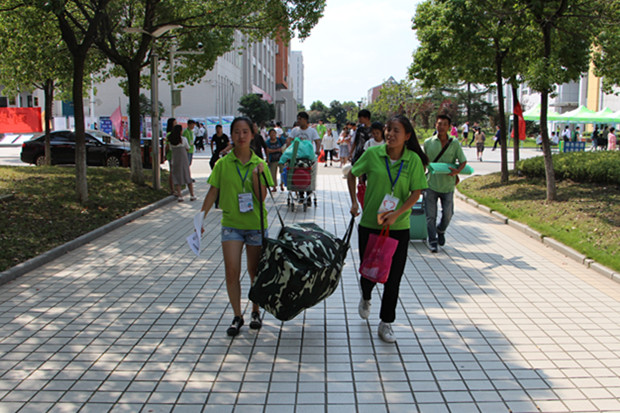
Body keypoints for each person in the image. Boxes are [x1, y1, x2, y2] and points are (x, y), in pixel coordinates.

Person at [347, 115, 429, 343]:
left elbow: (416, 192)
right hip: (370, 226)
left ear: (407, 136)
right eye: (388, 129)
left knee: (394, 277)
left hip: (398, 227)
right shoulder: (373, 154)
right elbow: (351, 174)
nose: (390, 134)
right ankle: (366, 297)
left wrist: (397, 213)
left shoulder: (413, 160)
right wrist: (355, 202)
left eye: (396, 130)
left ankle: (386, 322)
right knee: (368, 272)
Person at [200, 117, 274, 337]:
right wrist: (200, 218)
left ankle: (255, 311)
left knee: (254, 272)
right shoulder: (223, 164)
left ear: (252, 135)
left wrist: (256, 177)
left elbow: (261, 198)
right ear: (231, 135)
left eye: (245, 132)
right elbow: (213, 191)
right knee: (231, 272)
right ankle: (237, 315)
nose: (240, 137)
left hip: (255, 226)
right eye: (236, 132)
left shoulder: (260, 164)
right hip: (231, 224)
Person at [423, 114, 467, 253]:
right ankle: (432, 241)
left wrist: (457, 171)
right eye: (439, 123)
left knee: (448, 214)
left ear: (449, 127)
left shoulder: (454, 144)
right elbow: (423, 163)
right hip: (430, 184)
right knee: (430, 216)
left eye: (444, 124)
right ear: (435, 125)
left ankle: (440, 230)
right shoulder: (428, 142)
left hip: (448, 185)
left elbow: (463, 161)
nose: (441, 126)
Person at [289, 112, 321, 205]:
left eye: (300, 119)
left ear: (305, 120)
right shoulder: (295, 130)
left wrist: (317, 150)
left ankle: (308, 194)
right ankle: (301, 195)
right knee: (298, 175)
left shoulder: (312, 131)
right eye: (297, 119)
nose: (298, 121)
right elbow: (289, 140)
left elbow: (317, 141)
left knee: (308, 175)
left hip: (308, 157)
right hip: (297, 157)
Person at [167, 125, 196, 202]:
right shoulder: (183, 139)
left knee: (177, 177)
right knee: (187, 176)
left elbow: (170, 149)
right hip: (183, 160)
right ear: (180, 131)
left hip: (175, 160)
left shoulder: (171, 141)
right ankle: (192, 195)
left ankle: (180, 196)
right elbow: (188, 148)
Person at [164, 117, 177, 195]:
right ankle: (172, 189)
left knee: (174, 172)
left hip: (175, 155)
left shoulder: (174, 133)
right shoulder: (169, 134)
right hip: (171, 155)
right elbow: (167, 146)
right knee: (172, 172)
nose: (176, 124)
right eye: (175, 123)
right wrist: (165, 155)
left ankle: (175, 189)